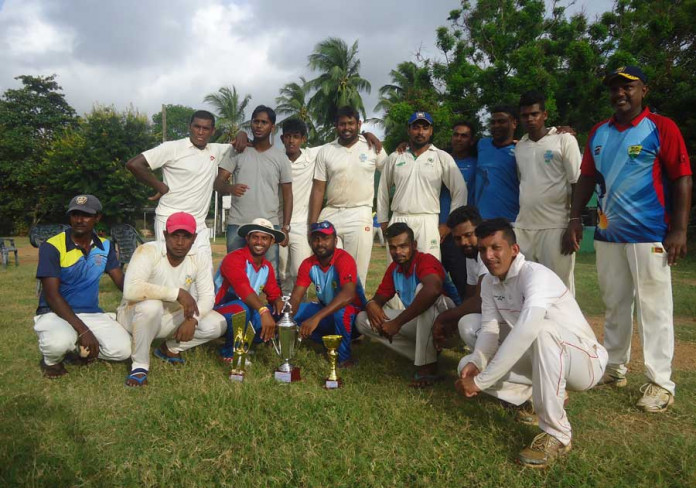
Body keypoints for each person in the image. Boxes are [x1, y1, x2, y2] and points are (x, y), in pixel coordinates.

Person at [563, 66, 692, 413]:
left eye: (628, 87)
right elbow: (586, 179)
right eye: (614, 88)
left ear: (644, 90)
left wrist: (678, 229)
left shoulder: (661, 128)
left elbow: (682, 178)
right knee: (615, 303)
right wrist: (575, 219)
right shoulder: (599, 132)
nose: (620, 93)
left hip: (649, 234)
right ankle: (614, 367)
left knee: (655, 308)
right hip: (608, 234)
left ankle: (660, 382)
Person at [456, 219, 607, 468]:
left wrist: (481, 382)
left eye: (496, 248)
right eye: (483, 250)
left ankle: (557, 434)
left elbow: (527, 330)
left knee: (541, 329)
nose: (489, 256)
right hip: (544, 357)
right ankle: (534, 397)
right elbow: (491, 330)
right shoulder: (491, 283)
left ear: (514, 250)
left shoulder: (535, 275)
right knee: (465, 361)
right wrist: (476, 362)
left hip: (585, 363)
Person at [116, 212, 227, 387]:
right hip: (133, 315)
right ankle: (139, 366)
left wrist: (193, 320)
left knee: (217, 323)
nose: (180, 242)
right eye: (175, 235)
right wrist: (178, 293)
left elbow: (207, 297)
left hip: (168, 317)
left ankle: (169, 348)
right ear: (165, 234)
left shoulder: (199, 256)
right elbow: (130, 290)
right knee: (151, 306)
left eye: (186, 236)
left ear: (194, 238)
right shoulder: (147, 250)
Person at [33, 195, 131, 378]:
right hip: (54, 312)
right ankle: (51, 361)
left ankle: (78, 350)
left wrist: (145, 293)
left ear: (97, 217)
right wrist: (84, 330)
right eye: (75, 214)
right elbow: (52, 296)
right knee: (58, 343)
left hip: (91, 312)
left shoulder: (105, 246)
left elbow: (120, 280)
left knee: (123, 350)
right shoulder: (52, 246)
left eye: (86, 215)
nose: (79, 220)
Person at [126, 110, 232, 269]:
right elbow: (134, 164)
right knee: (168, 271)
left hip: (199, 224)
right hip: (169, 218)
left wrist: (243, 134)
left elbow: (238, 145)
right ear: (190, 127)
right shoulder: (172, 148)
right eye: (197, 127)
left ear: (212, 131)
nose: (201, 132)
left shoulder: (215, 150)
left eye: (206, 128)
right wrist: (160, 186)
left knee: (203, 272)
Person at [355, 223, 454, 387]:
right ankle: (425, 356)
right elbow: (379, 298)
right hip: (424, 322)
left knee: (424, 291)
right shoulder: (395, 268)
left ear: (414, 246)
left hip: (448, 323)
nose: (397, 252)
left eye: (403, 246)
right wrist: (371, 304)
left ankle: (426, 367)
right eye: (393, 247)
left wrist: (397, 323)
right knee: (362, 319)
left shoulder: (425, 260)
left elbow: (433, 290)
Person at [308, 106, 388, 285]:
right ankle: (330, 311)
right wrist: (313, 224)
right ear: (336, 126)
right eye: (342, 124)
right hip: (331, 213)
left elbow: (391, 173)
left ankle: (355, 312)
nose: (347, 128)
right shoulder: (326, 150)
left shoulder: (373, 147)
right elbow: (319, 188)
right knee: (329, 272)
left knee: (356, 274)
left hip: (359, 213)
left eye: (351, 123)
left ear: (359, 124)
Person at [377, 111, 467, 260]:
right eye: (416, 127)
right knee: (397, 269)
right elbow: (382, 190)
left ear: (431, 131)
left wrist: (450, 223)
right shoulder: (395, 157)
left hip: (427, 221)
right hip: (399, 218)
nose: (420, 132)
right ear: (408, 130)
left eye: (425, 128)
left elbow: (460, 190)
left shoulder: (441, 157)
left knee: (429, 271)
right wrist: (383, 221)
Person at [515, 91, 581, 293]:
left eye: (534, 114)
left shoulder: (564, 140)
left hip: (555, 226)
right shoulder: (520, 147)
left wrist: (574, 221)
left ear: (545, 115)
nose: (530, 119)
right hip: (524, 226)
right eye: (525, 115)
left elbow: (576, 182)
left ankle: (566, 326)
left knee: (559, 288)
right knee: (528, 287)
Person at [214, 105, 293, 273]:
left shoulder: (281, 158)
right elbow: (218, 183)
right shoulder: (237, 151)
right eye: (255, 121)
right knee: (235, 272)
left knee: (269, 274)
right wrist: (230, 187)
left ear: (272, 127)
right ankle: (235, 301)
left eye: (264, 122)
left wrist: (285, 227)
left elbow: (288, 195)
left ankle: (268, 301)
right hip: (238, 224)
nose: (258, 126)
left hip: (269, 225)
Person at [287, 221, 367, 366]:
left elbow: (348, 295)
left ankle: (344, 358)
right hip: (327, 311)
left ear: (335, 241)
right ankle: (325, 340)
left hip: (353, 317)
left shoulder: (343, 259)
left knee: (341, 312)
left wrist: (316, 318)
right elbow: (296, 297)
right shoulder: (308, 264)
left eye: (325, 238)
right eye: (316, 239)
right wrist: (285, 320)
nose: (320, 243)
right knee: (294, 312)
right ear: (310, 242)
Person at [214, 218, 285, 359]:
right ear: (247, 238)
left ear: (271, 242)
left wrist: (278, 302)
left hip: (248, 308)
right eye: (255, 237)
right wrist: (264, 311)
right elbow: (243, 288)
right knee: (242, 309)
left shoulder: (266, 266)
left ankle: (253, 344)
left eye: (264, 238)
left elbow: (273, 293)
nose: (259, 242)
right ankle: (230, 353)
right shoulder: (234, 258)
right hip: (220, 307)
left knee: (282, 311)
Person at [431, 206, 487, 351]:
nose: (463, 242)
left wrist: (444, 318)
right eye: (458, 238)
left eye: (468, 235)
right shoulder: (470, 254)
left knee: (465, 324)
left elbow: (478, 300)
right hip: (493, 314)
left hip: (511, 318)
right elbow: (470, 295)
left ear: (480, 230)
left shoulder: (487, 253)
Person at [275, 118, 321, 294]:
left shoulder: (312, 156)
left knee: (299, 271)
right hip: (279, 224)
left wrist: (366, 135)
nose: (291, 141)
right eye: (287, 136)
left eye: (296, 136)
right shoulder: (276, 160)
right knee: (282, 273)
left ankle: (298, 310)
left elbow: (338, 142)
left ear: (303, 139)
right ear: (282, 139)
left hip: (302, 225)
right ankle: (285, 314)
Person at [440, 121, 478, 296]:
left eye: (464, 136)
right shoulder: (440, 159)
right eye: (456, 134)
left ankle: (463, 318)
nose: (459, 138)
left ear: (471, 141)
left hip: (459, 232)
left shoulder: (477, 163)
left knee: (462, 280)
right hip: (436, 230)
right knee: (436, 281)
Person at [474, 106, 519, 222]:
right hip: (481, 220)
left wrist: (556, 130)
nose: (496, 126)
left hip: (511, 220)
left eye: (501, 121)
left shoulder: (522, 149)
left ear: (514, 123)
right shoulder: (482, 144)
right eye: (493, 122)